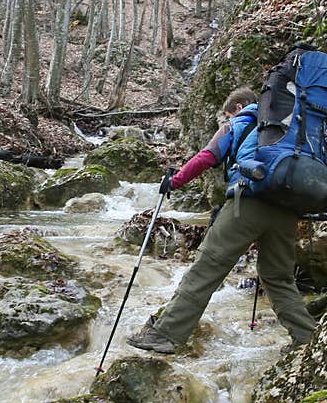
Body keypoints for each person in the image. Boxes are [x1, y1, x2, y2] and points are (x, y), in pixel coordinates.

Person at [126, 86, 316, 354]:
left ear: (238, 107)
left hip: (248, 202)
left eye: (227, 115)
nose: (226, 120)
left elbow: (208, 156)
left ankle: (166, 334)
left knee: (206, 268)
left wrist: (175, 181)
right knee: (279, 278)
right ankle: (308, 339)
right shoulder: (293, 126)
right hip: (287, 210)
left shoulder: (241, 122)